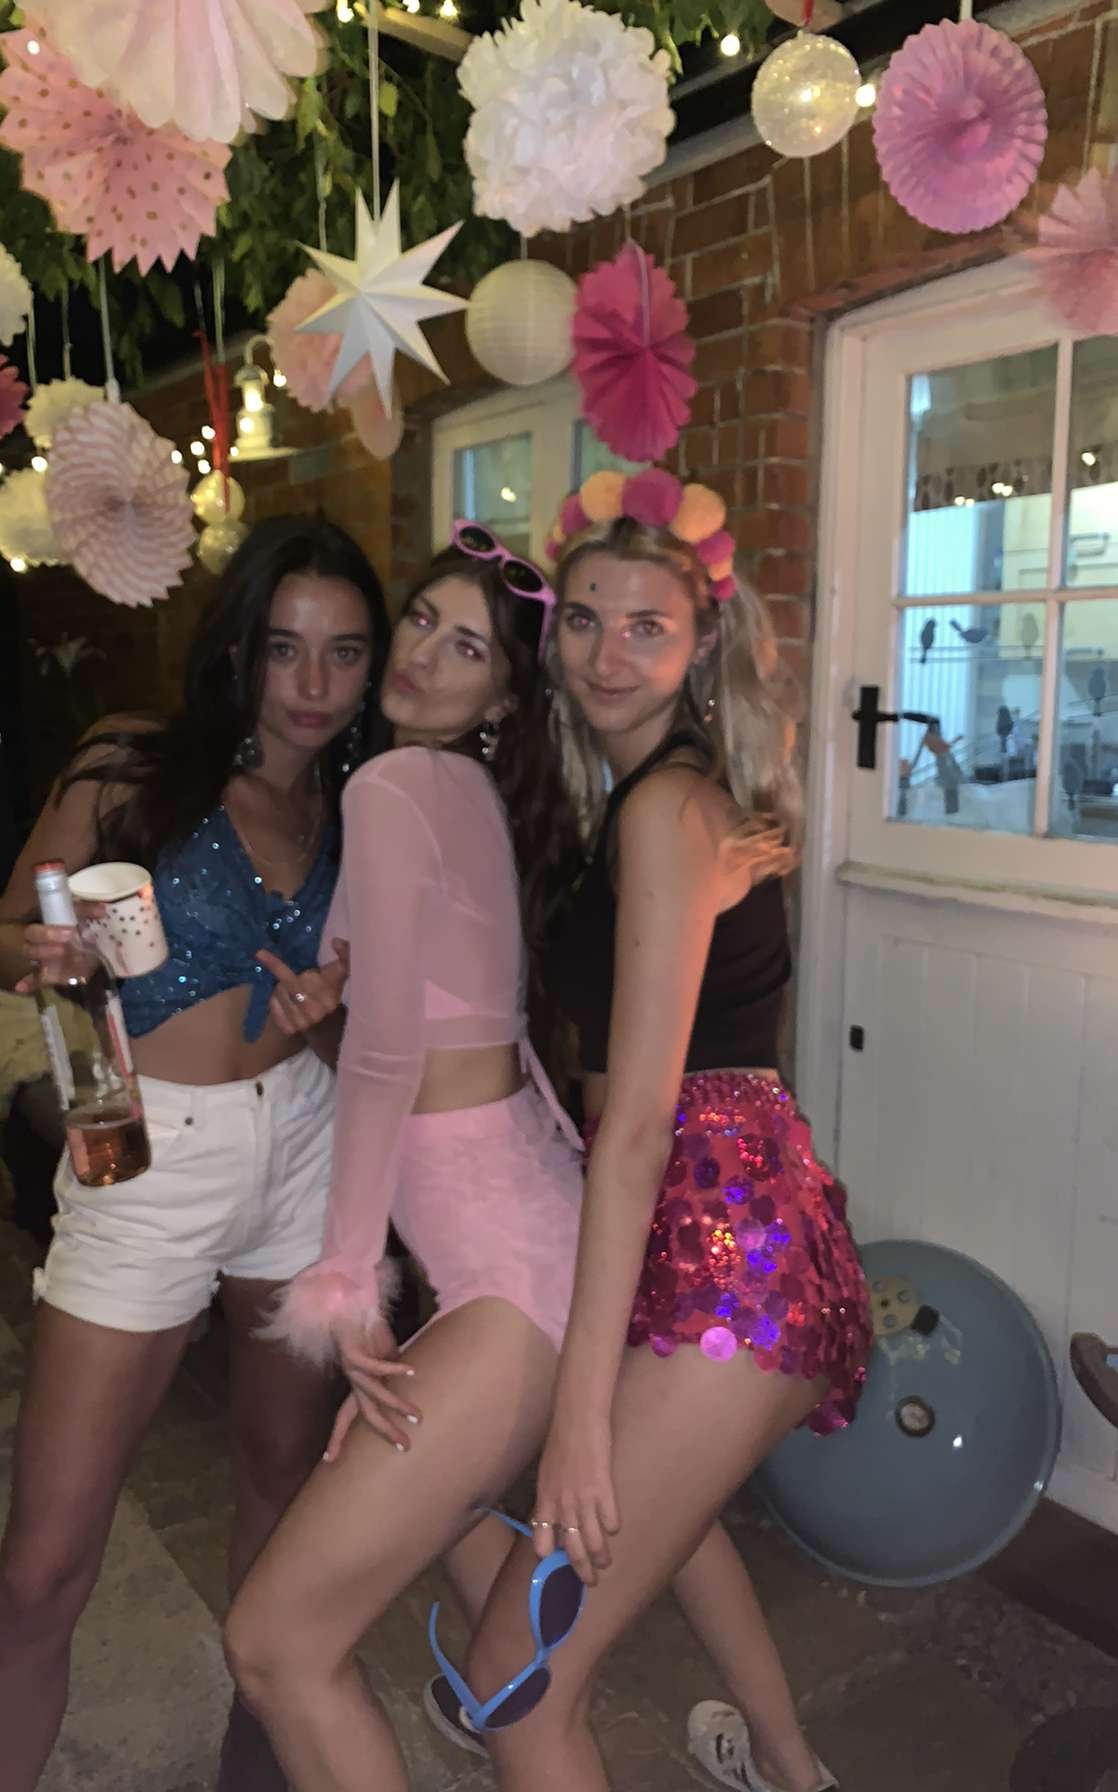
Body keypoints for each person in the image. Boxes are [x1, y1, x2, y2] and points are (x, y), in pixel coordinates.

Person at [0, 515, 389, 1792]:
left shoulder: (361, 807)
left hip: (302, 1139)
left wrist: (335, 1017)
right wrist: (40, 956)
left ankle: (255, 1760)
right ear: (238, 646)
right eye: (285, 647)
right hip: (146, 1153)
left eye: (344, 652)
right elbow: (3, 934)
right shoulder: (132, 763)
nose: (312, 684)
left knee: (278, 1476)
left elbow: (368, 1032)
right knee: (45, 1563)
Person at [462, 470, 872, 1792]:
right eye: (584, 619)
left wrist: (577, 1419)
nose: (606, 653)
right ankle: (794, 1767)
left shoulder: (660, 808)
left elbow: (638, 1123)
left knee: (514, 1680)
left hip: (721, 1246)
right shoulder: (664, 797)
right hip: (730, 1221)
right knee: (675, 1527)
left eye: (647, 625)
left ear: (700, 648)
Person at [218, 525, 587, 1791]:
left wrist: (345, 1286)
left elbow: (386, 1059)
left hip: (505, 1280)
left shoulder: (388, 785)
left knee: (274, 1645)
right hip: (530, 1247)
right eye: (422, 620)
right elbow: (440, 1020)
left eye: (468, 647)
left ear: (505, 697)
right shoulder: (469, 794)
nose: (423, 655)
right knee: (508, 1667)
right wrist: (337, 994)